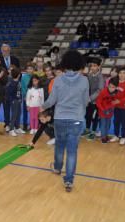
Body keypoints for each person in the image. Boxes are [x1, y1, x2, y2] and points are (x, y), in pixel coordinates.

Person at [41, 50, 89, 192]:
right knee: (72, 151)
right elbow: (86, 101)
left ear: (65, 63)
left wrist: (42, 107)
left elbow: (51, 100)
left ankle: (57, 168)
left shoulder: (58, 80)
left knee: (60, 146)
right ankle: (69, 180)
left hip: (60, 119)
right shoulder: (84, 80)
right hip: (76, 120)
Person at [110, 67, 125, 145]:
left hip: (124, 107)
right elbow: (113, 92)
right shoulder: (116, 82)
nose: (122, 75)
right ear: (118, 74)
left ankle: (123, 137)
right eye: (120, 73)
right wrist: (113, 98)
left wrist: (120, 101)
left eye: (124, 73)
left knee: (124, 123)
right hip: (116, 107)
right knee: (116, 121)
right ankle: (116, 135)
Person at [84, 57, 104, 140]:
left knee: (94, 117)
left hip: (96, 101)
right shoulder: (89, 75)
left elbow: (100, 90)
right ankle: (87, 129)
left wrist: (90, 98)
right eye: (91, 66)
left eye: (95, 66)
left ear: (99, 67)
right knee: (87, 116)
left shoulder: (100, 77)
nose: (92, 67)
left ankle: (93, 132)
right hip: (88, 100)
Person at [96, 76, 119, 144]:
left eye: (113, 87)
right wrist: (103, 109)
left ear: (116, 87)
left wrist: (111, 108)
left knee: (108, 124)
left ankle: (106, 135)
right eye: (110, 86)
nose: (111, 89)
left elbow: (114, 102)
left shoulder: (115, 93)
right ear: (108, 85)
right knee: (103, 124)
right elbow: (98, 102)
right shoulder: (103, 92)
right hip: (102, 111)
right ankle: (103, 137)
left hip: (109, 112)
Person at [6, 66, 24, 136]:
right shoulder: (11, 83)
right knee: (14, 114)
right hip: (14, 101)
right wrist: (12, 100)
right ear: (18, 75)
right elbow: (8, 93)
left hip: (18, 100)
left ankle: (17, 127)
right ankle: (11, 129)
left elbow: (19, 91)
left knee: (19, 113)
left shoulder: (18, 82)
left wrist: (20, 98)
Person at [21, 62, 34, 131]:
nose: (29, 70)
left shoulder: (35, 77)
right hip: (26, 98)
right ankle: (25, 125)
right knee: (25, 112)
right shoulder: (23, 77)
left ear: (33, 69)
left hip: (34, 98)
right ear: (26, 70)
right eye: (28, 69)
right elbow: (23, 87)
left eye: (31, 69)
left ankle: (32, 125)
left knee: (33, 112)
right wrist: (25, 96)